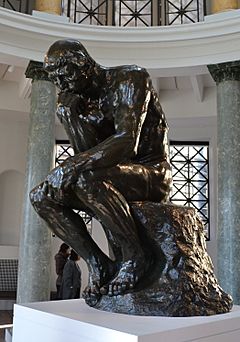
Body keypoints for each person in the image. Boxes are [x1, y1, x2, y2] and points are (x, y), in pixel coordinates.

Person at [30, 39, 172, 305]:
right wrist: (71, 119)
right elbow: (87, 152)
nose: (61, 83)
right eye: (55, 78)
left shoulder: (130, 78)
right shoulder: (78, 101)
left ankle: (136, 257)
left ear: (83, 65)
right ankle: (100, 265)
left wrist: (71, 167)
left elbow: (127, 141)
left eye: (64, 74)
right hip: (110, 175)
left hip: (152, 174)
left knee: (84, 176)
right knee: (41, 196)